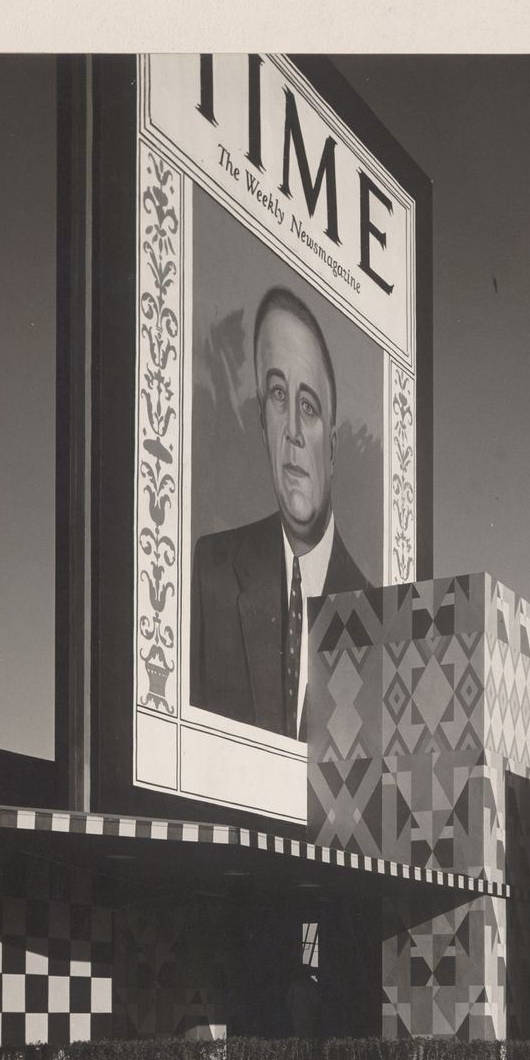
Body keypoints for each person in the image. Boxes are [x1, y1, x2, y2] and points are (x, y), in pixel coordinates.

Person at [190, 286, 367, 737]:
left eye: (307, 406)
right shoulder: (212, 569)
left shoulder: (379, 618)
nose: (291, 430)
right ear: (261, 424)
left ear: (331, 444)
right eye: (276, 395)